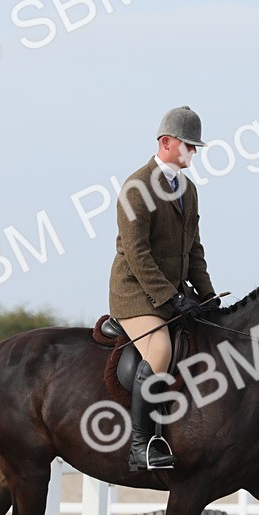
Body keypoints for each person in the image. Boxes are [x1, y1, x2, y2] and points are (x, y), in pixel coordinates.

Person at [109, 106, 220, 471]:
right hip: (135, 292)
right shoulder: (136, 187)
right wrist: (170, 298)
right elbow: (138, 254)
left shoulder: (188, 189)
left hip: (174, 292)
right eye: (189, 145)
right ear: (166, 142)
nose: (194, 152)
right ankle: (141, 446)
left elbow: (195, 250)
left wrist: (209, 297)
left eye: (196, 146)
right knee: (159, 351)